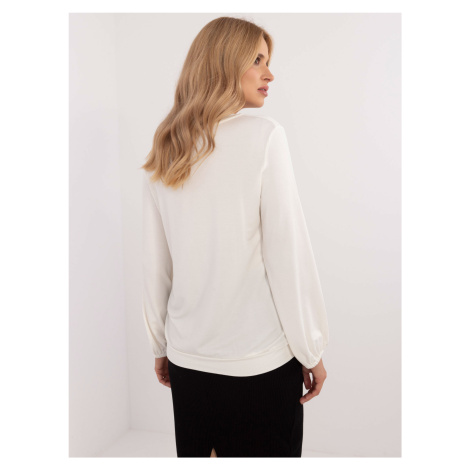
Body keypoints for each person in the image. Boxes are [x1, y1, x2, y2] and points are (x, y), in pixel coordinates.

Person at [140, 16, 329, 458]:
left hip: (188, 360)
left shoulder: (166, 147)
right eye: (257, 60)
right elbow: (288, 256)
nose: (270, 74)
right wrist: (311, 349)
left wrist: (160, 345)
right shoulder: (264, 137)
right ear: (224, 63)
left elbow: (155, 264)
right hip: (258, 364)